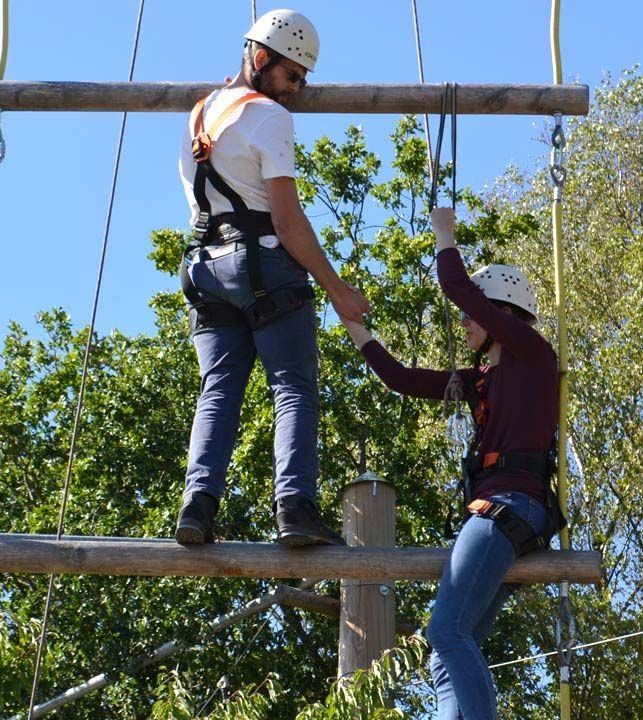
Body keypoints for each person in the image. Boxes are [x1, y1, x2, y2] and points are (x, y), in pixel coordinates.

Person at [339, 207, 566, 719]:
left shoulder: (534, 356)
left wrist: (445, 237)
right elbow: (403, 379)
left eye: (473, 318)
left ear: (499, 315)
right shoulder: (483, 380)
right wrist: (358, 330)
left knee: (448, 632)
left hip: (509, 507)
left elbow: (461, 291)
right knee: (442, 650)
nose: (464, 324)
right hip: (501, 512)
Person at [174, 9, 370, 548]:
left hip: (205, 269)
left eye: (303, 80)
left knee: (217, 389)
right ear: (259, 60)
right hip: (263, 265)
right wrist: (339, 290)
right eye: (291, 76)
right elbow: (287, 221)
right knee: (292, 387)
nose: (297, 90)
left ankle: (198, 504)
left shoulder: (200, 114)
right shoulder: (270, 117)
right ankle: (294, 508)